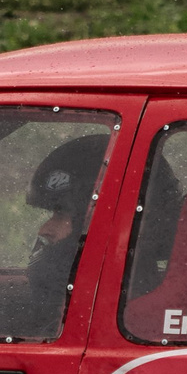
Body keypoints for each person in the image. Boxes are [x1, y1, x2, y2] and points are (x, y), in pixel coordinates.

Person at [25, 133, 110, 316]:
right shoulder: (102, 302)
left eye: (62, 214)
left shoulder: (91, 308)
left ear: (96, 224)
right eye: (54, 214)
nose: (44, 229)